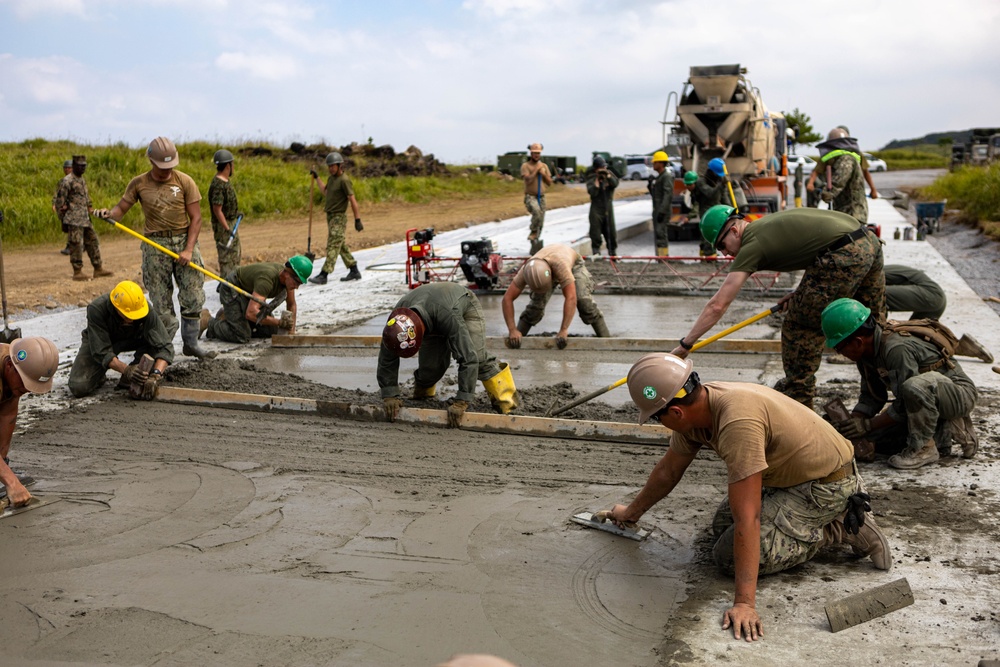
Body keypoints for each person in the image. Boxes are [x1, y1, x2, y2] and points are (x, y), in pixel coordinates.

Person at [604, 353, 890, 642]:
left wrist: (744, 603)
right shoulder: (697, 407)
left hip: (826, 484)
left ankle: (839, 527)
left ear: (675, 413)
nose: (659, 422)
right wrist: (631, 513)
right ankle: (816, 521)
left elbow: (748, 517)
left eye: (656, 417)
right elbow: (668, 471)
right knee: (722, 527)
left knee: (727, 557)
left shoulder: (736, 422)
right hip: (788, 476)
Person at [673, 205, 885, 408]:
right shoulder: (764, 228)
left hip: (845, 253)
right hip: (867, 240)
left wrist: (686, 345)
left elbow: (718, 305)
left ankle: (799, 399)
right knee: (871, 328)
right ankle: (880, 396)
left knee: (799, 327)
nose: (724, 254)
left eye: (721, 245)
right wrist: (801, 293)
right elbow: (817, 251)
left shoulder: (751, 244)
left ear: (735, 230)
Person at [821, 298, 980, 469]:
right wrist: (855, 421)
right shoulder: (866, 352)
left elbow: (905, 402)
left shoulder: (896, 349)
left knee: (913, 387)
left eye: (839, 348)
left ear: (858, 341)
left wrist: (867, 425)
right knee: (874, 437)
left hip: (959, 394)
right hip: (924, 398)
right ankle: (940, 431)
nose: (840, 353)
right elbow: (872, 396)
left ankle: (924, 448)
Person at [94, 137, 215, 360]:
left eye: (170, 167)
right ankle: (162, 350)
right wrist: (108, 214)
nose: (166, 171)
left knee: (192, 293)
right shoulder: (139, 184)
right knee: (160, 301)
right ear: (151, 161)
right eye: (162, 167)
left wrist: (188, 250)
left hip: (183, 241)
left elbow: (196, 218)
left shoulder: (185, 181)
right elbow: (121, 209)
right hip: (155, 245)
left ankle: (191, 343)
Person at [378, 282, 518, 428]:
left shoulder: (448, 315)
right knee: (430, 368)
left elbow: (468, 358)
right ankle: (423, 395)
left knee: (478, 357)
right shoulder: (397, 322)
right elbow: (387, 356)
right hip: (433, 310)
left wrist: (462, 401)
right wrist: (389, 394)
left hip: (463, 306)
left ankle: (507, 404)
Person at [68, 280, 173, 400]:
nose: (133, 319)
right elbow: (102, 352)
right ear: (117, 308)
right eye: (129, 316)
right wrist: (127, 370)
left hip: (133, 337)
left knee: (169, 323)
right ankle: (104, 374)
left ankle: (138, 370)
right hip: (101, 341)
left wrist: (156, 375)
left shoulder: (143, 307)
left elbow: (165, 346)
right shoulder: (97, 309)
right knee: (79, 386)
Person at [502, 243, 610, 349]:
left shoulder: (561, 266)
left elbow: (571, 298)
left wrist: (564, 329)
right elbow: (507, 298)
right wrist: (512, 330)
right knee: (535, 307)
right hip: (546, 266)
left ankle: (606, 338)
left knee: (584, 302)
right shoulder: (527, 271)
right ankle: (518, 337)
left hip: (572, 264)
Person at [883, 264, 993, 362]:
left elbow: (875, 299)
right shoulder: (877, 267)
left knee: (874, 295)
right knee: (917, 339)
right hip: (936, 299)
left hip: (931, 296)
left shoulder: (872, 273)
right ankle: (960, 346)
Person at [1, 337, 59, 508]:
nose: (27, 389)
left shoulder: (13, 368)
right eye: (25, 382)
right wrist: (11, 481)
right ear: (10, 366)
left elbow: (7, 416)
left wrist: (3, 467)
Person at [205, 256, 311, 344]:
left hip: (250, 294)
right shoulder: (266, 280)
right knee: (241, 335)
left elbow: (291, 304)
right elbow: (251, 313)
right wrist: (279, 322)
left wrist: (291, 333)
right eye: (297, 282)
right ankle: (208, 322)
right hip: (233, 288)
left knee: (270, 331)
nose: (297, 287)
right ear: (287, 274)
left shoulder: (287, 281)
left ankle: (232, 317)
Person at [54, 155, 113, 281]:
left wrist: (92, 210)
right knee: (76, 244)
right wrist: (63, 220)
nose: (83, 168)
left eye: (84, 166)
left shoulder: (82, 180)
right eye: (80, 166)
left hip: (85, 218)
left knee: (93, 241)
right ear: (74, 166)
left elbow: (86, 199)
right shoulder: (67, 181)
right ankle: (77, 272)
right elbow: (59, 202)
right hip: (73, 219)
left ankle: (98, 268)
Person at [308, 152, 363, 284]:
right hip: (330, 216)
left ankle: (324, 274)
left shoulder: (344, 180)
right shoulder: (331, 179)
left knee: (332, 245)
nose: (331, 168)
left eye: (333, 166)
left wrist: (357, 219)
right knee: (340, 244)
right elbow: (326, 192)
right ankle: (354, 269)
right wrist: (317, 178)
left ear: (339, 166)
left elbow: (352, 200)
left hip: (339, 217)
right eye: (329, 166)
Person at [813, 128, 868, 224]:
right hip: (844, 212)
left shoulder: (846, 159)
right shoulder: (840, 158)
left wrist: (827, 193)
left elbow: (839, 181)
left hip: (852, 213)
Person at [208, 149, 242, 278]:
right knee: (227, 257)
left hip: (231, 223)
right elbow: (217, 209)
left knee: (235, 255)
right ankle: (227, 286)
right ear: (228, 165)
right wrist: (227, 229)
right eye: (232, 164)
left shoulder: (225, 182)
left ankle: (233, 282)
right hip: (224, 227)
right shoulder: (218, 185)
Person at [521, 143, 552, 253]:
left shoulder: (544, 166)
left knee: (541, 221)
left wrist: (543, 174)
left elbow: (549, 182)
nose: (536, 155)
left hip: (542, 196)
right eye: (534, 153)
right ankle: (533, 232)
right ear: (531, 153)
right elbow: (528, 180)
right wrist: (536, 171)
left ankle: (535, 242)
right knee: (537, 212)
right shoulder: (526, 166)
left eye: (538, 153)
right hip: (531, 196)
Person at [585, 155, 618, 256]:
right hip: (596, 207)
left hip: (608, 206)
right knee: (595, 231)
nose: (603, 170)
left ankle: (612, 252)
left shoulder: (609, 175)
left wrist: (608, 176)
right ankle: (596, 251)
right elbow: (592, 192)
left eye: (604, 167)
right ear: (596, 169)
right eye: (601, 168)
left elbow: (615, 183)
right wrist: (597, 182)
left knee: (611, 231)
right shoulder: (591, 177)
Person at [649, 150, 672, 256]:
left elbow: (668, 195)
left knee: (661, 233)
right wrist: (650, 185)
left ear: (661, 163)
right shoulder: (660, 177)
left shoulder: (666, 176)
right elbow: (656, 195)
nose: (653, 164)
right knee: (658, 234)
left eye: (655, 162)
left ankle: (663, 258)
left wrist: (662, 211)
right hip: (657, 209)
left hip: (661, 210)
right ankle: (660, 256)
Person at [56, 159, 73, 255]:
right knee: (67, 227)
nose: (67, 169)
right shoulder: (62, 181)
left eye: (69, 168)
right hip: (64, 208)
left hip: (74, 209)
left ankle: (70, 246)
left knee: (73, 227)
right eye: (65, 168)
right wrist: (55, 203)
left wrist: (69, 205)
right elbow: (58, 194)